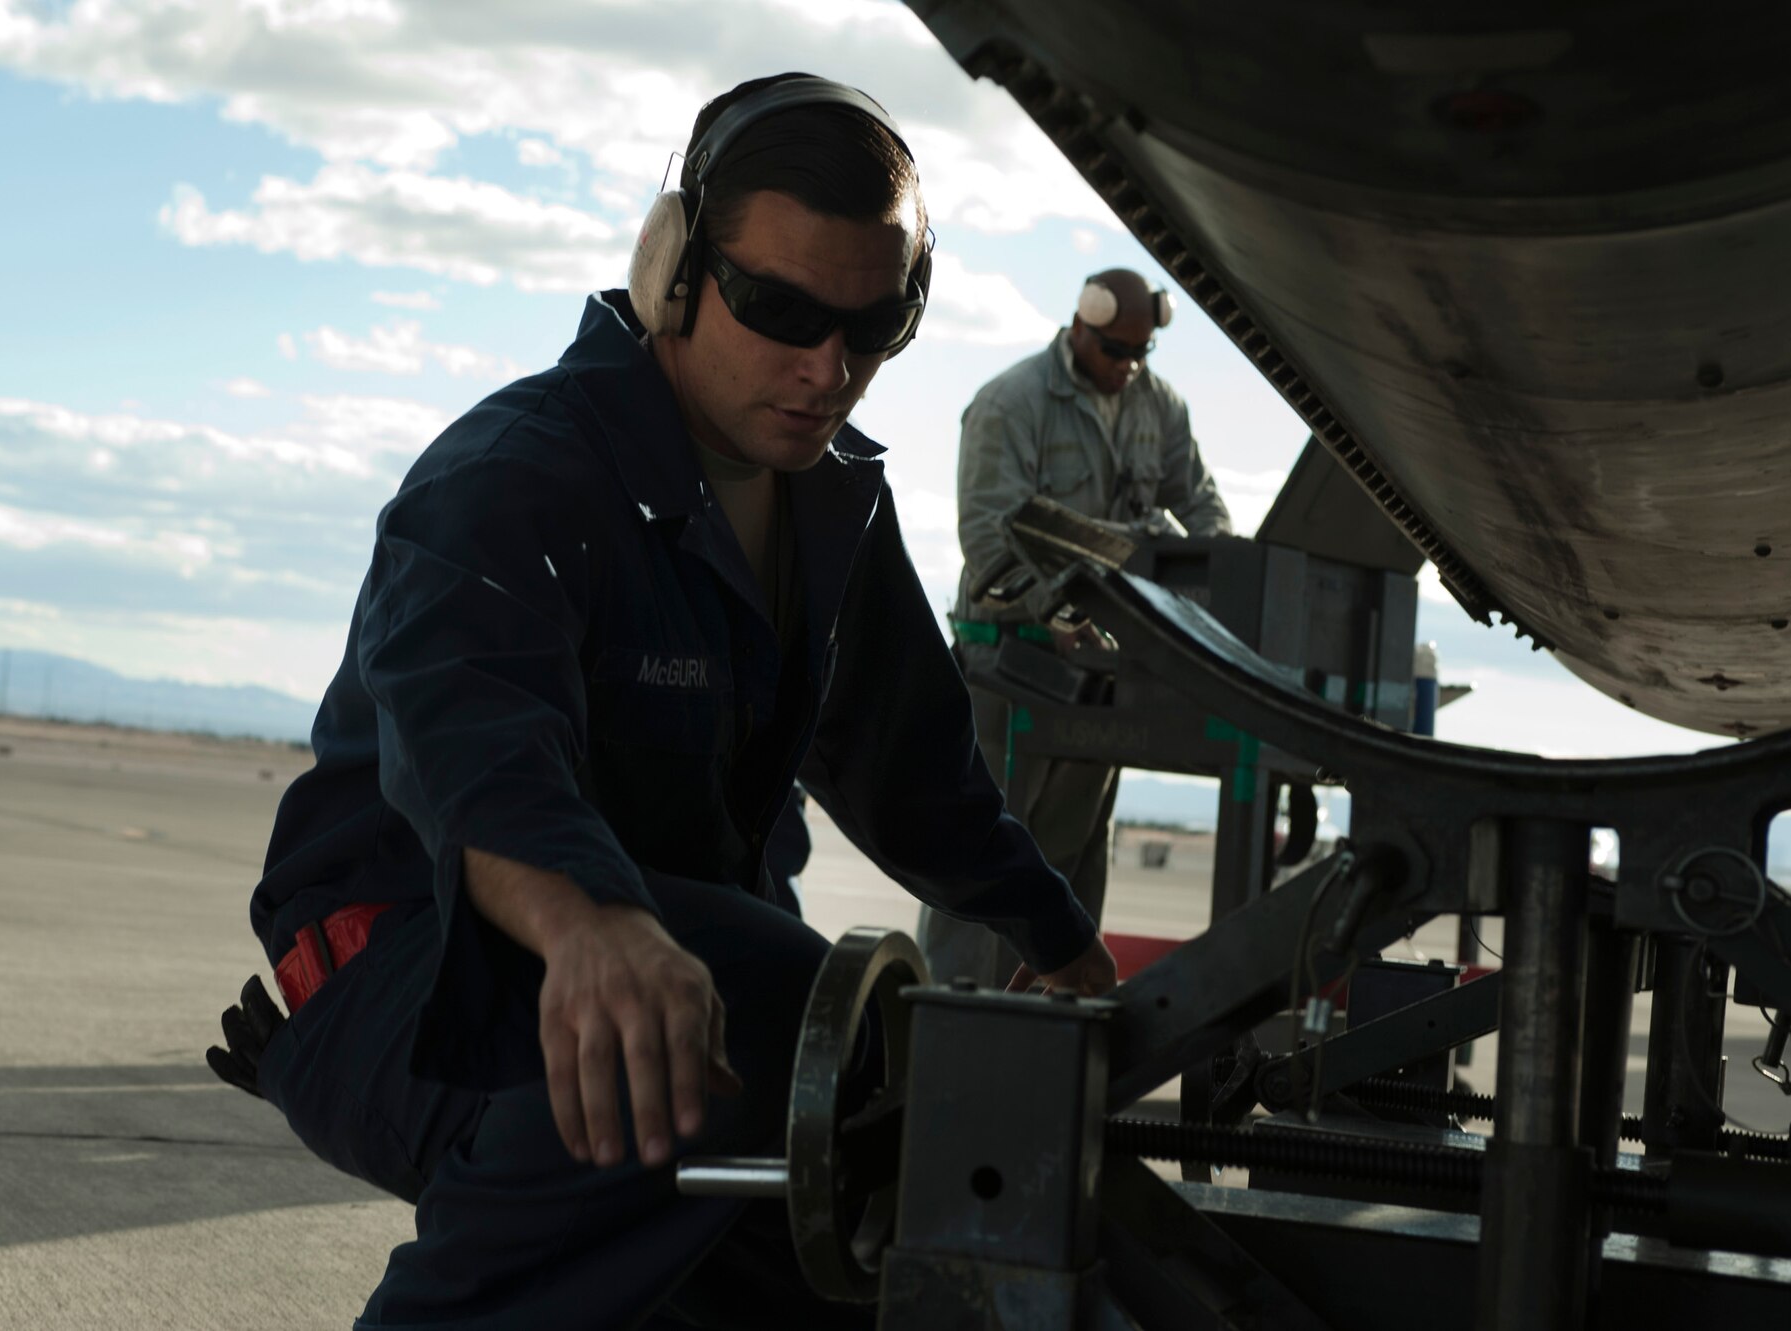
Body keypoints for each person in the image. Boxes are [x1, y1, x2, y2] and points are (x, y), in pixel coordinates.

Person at [205, 73, 1115, 1331]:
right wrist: (590, 925)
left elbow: (917, 778)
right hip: (415, 980)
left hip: (665, 995)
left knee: (854, 1194)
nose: (824, 367)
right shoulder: (515, 476)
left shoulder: (832, 508)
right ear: (674, 268)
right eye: (780, 309)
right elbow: (473, 748)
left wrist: (1067, 952)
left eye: (870, 328)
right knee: (763, 989)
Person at [922, 269, 1231, 987]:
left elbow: (1210, 519)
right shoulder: (1012, 402)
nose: (1128, 367)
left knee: (1071, 866)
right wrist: (1058, 612)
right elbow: (991, 539)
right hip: (1012, 665)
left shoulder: (1161, 407)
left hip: (1104, 673)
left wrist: (1179, 589)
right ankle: (952, 1035)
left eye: (1141, 353)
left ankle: (1049, 1040)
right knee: (981, 863)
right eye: (1116, 351)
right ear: (1080, 330)